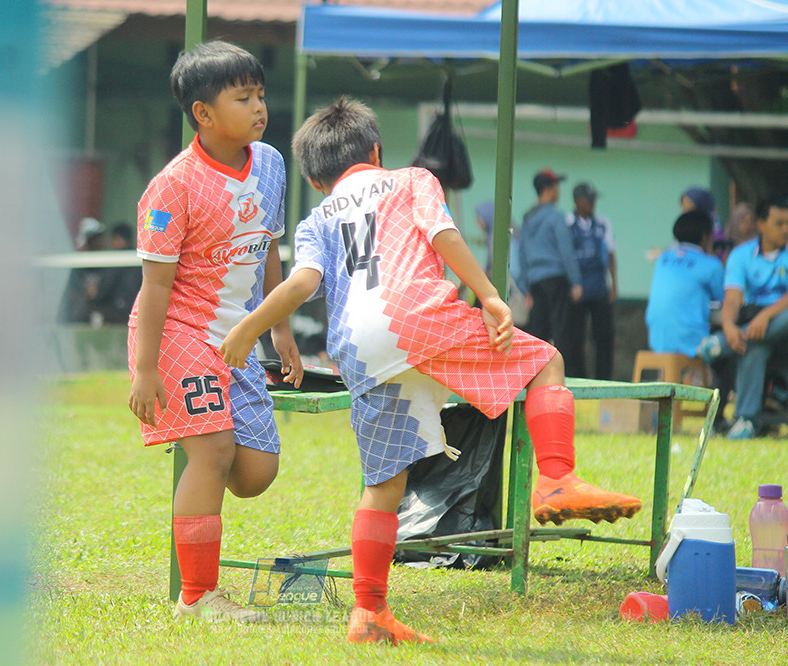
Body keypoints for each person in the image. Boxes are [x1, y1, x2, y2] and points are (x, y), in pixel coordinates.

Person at [220, 98, 641, 645]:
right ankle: (557, 479)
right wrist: (489, 295)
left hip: (356, 348)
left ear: (316, 180)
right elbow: (444, 236)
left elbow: (300, 285)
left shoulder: (315, 219)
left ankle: (369, 612)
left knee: (384, 486)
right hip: (420, 319)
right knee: (547, 362)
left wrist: (250, 328)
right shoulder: (412, 180)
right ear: (376, 150)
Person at [127, 41, 302, 623]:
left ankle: (204, 439)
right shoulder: (172, 187)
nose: (259, 108)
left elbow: (269, 246)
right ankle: (198, 596)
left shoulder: (272, 163)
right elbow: (155, 289)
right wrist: (146, 370)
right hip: (180, 331)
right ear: (202, 114)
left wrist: (278, 332)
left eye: (261, 95)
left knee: (255, 473)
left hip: (240, 336)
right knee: (215, 451)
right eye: (243, 97)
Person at [698, 195, 788, 439]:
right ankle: (746, 421)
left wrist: (766, 316)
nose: (785, 229)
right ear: (761, 224)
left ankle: (721, 345)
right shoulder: (741, 255)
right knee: (753, 346)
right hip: (758, 330)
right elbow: (733, 298)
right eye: (779, 223)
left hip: (778, 323)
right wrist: (728, 326)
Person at [645, 211, 729, 424]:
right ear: (705, 236)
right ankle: (717, 418)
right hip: (690, 339)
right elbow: (723, 300)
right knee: (728, 357)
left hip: (657, 337)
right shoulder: (710, 264)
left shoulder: (663, 258)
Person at [517, 168, 583, 351]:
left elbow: (522, 254)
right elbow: (566, 251)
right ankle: (561, 374)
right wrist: (576, 282)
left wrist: (525, 287)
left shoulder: (528, 219)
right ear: (548, 189)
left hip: (536, 282)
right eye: (556, 186)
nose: (558, 191)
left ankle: (536, 373)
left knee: (538, 331)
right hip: (556, 280)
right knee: (561, 330)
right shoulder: (556, 216)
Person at [563, 182, 617, 379]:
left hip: (599, 288)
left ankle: (604, 379)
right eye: (589, 199)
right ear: (577, 201)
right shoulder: (567, 224)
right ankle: (578, 378)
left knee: (604, 336)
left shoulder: (603, 224)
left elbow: (611, 254)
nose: (592, 203)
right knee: (575, 338)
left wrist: (614, 284)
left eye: (594, 199)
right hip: (576, 290)